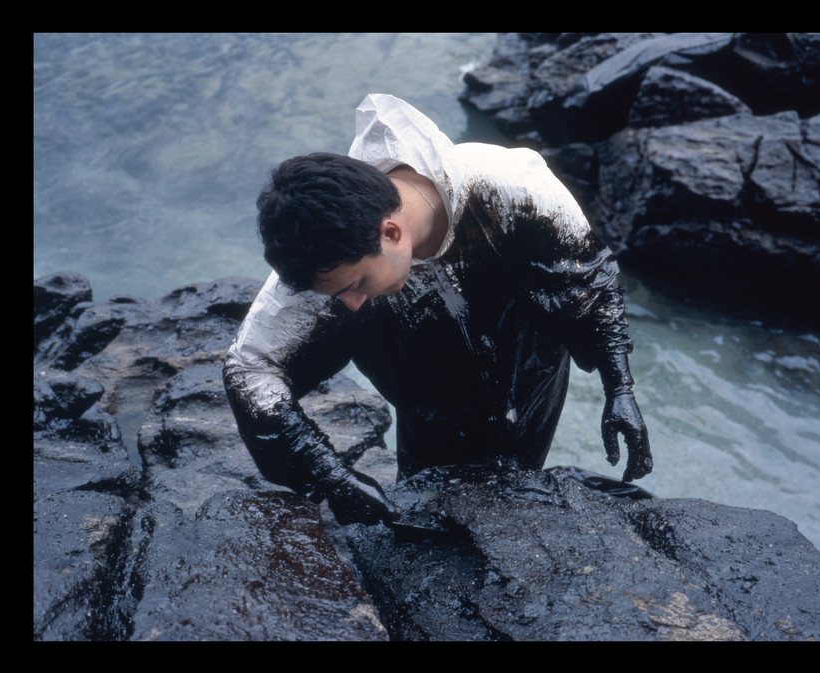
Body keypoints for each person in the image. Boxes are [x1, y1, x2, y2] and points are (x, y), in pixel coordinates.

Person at [223, 93, 652, 526]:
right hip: (426, 407)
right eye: (338, 295)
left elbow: (587, 277)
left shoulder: (513, 186)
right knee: (427, 514)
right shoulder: (323, 254)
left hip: (533, 380)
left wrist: (619, 389)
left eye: (356, 286)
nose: (350, 303)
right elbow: (249, 368)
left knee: (518, 503)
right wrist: (333, 479)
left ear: (391, 231)